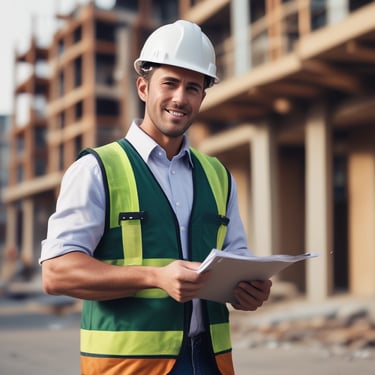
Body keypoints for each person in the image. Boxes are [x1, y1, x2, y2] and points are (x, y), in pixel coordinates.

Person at [40, 20, 272, 375]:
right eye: (170, 83)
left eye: (193, 87)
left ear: (203, 97)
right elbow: (56, 274)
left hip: (211, 362)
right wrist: (154, 277)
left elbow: (234, 261)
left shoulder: (218, 176)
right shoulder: (97, 169)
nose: (180, 98)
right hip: (130, 367)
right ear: (143, 87)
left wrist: (248, 291)